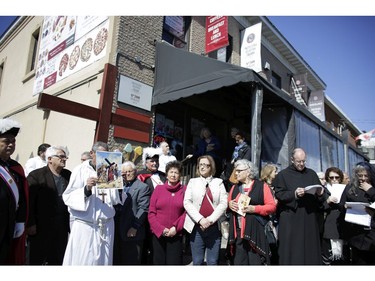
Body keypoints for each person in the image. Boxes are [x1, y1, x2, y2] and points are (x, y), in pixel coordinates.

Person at [62, 141, 121, 265]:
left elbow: (115, 200)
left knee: (103, 263)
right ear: (91, 153)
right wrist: (86, 189)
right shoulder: (80, 169)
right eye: (99, 154)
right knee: (83, 261)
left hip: (106, 226)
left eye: (105, 154)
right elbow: (68, 196)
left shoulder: (109, 169)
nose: (102, 158)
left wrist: (119, 184)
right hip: (86, 226)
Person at [273, 148, 328, 265]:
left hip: (309, 217)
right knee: (291, 250)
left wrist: (320, 193)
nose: (301, 164)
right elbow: (280, 194)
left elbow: (321, 196)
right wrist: (295, 194)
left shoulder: (311, 173)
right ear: (292, 159)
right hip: (291, 218)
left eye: (303, 161)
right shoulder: (283, 175)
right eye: (299, 161)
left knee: (310, 249)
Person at [26, 145, 71, 265]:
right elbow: (29, 202)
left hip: (61, 227)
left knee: (56, 260)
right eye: (61, 156)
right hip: (41, 227)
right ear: (50, 159)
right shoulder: (36, 176)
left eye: (65, 156)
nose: (64, 159)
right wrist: (30, 224)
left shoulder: (68, 175)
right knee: (35, 259)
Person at [227, 159, 276, 265]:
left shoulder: (262, 186)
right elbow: (227, 206)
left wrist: (254, 209)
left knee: (255, 263)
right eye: (236, 170)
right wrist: (230, 204)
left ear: (248, 172)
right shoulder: (234, 187)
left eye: (239, 171)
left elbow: (272, 207)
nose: (236, 173)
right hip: (238, 233)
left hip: (256, 232)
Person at [183, 155, 228, 265]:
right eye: (200, 165)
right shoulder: (192, 182)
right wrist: (200, 219)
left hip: (214, 228)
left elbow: (223, 203)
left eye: (206, 165)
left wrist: (210, 220)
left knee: (212, 261)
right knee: (197, 261)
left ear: (211, 167)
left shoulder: (219, 182)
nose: (202, 167)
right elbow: (187, 202)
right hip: (196, 227)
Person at [0, 118, 28, 265]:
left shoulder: (16, 167)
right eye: (6, 141)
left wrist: (20, 220)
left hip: (9, 223)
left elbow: (22, 197)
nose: (11, 144)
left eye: (13, 141)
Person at [148, 160, 187, 265]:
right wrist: (161, 229)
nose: (173, 175)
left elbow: (186, 212)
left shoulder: (185, 190)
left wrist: (176, 228)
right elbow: (151, 212)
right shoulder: (158, 189)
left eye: (176, 172)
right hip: (158, 235)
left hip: (175, 235)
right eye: (171, 172)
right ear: (166, 174)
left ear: (180, 175)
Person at [113, 161, 151, 265]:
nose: (127, 174)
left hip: (132, 232)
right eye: (124, 172)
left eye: (129, 171)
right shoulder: (117, 186)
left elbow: (143, 209)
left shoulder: (142, 187)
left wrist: (135, 227)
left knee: (131, 262)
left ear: (135, 172)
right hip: (116, 231)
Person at [338, 162, 375, 265]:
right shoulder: (350, 188)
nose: (363, 178)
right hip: (356, 234)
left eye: (366, 176)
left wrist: (371, 190)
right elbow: (341, 204)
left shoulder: (373, 187)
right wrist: (345, 207)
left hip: (372, 233)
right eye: (360, 176)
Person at [137, 147, 166, 264]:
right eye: (152, 161)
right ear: (146, 162)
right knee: (144, 245)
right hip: (145, 216)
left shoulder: (164, 176)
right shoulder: (140, 176)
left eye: (156, 161)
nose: (154, 163)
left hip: (161, 216)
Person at [321, 167, 347, 265]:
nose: (334, 180)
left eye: (337, 177)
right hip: (328, 226)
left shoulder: (345, 190)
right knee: (328, 256)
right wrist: (328, 201)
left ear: (340, 178)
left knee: (342, 257)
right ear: (328, 178)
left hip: (342, 225)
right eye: (332, 178)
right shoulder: (324, 191)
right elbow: (319, 207)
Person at [260, 162, 279, 264]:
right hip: (266, 222)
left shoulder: (275, 186)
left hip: (275, 220)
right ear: (268, 173)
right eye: (274, 171)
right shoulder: (262, 186)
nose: (276, 174)